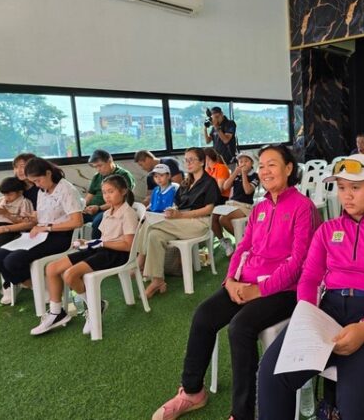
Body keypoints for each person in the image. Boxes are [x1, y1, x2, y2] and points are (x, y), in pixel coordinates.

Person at [151, 144, 320, 420]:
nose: (265, 171)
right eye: (261, 166)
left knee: (240, 327)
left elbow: (298, 263)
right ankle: (192, 392)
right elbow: (242, 247)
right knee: (204, 316)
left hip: (284, 290)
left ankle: (242, 414)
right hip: (245, 283)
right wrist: (230, 280)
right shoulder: (260, 207)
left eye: (272, 164)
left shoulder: (303, 208)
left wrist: (259, 290)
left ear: (289, 168)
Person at [257, 153, 364, 420]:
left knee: (355, 400)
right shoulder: (327, 230)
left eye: (356, 187)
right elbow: (309, 279)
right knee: (272, 374)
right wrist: (308, 316)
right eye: (341, 187)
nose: (347, 196)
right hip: (331, 312)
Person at [30, 175, 138, 335]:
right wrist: (87, 242)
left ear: (123, 191)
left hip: (117, 254)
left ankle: (95, 307)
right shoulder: (108, 212)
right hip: (102, 249)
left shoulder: (128, 213)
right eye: (104, 192)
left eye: (111, 191)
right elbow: (104, 238)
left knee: (69, 275)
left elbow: (128, 245)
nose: (107, 196)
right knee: (52, 268)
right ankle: (56, 313)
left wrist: (100, 243)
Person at [0, 158, 84, 305]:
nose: (37, 184)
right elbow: (45, 215)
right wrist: (33, 217)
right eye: (33, 182)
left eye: (38, 180)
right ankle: (38, 286)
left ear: (48, 173)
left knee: (11, 261)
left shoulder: (66, 189)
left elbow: (77, 222)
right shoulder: (42, 190)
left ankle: (44, 287)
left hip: (60, 236)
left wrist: (47, 227)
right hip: (41, 234)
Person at [136, 148, 220, 299]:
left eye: (192, 159)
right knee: (154, 235)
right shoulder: (186, 182)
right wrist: (173, 210)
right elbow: (177, 204)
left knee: (149, 222)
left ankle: (139, 261)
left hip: (199, 223)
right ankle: (157, 280)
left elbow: (209, 209)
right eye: (186, 160)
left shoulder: (209, 182)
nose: (188, 163)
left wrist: (181, 215)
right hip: (180, 222)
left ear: (202, 162)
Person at [0, 177, 35, 301]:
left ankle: (8, 283)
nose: (6, 197)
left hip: (10, 229)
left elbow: (26, 223)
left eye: (9, 194)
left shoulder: (24, 202)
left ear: (20, 192)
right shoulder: (0, 200)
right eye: (4, 194)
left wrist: (6, 214)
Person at [214, 151, 260, 257]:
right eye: (241, 161)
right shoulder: (236, 174)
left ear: (252, 163)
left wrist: (243, 174)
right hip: (232, 204)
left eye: (246, 161)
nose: (243, 163)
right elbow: (225, 186)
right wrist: (235, 172)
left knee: (223, 219)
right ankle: (226, 242)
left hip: (245, 206)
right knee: (214, 216)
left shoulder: (255, 176)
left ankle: (244, 242)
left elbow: (248, 191)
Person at [83, 149, 135, 239]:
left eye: (100, 165)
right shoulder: (97, 176)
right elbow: (89, 196)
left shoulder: (123, 175)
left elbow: (124, 199)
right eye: (95, 167)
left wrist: (99, 208)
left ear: (109, 160)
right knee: (73, 218)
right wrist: (83, 207)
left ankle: (97, 245)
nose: (98, 169)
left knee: (97, 223)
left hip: (109, 208)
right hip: (93, 209)